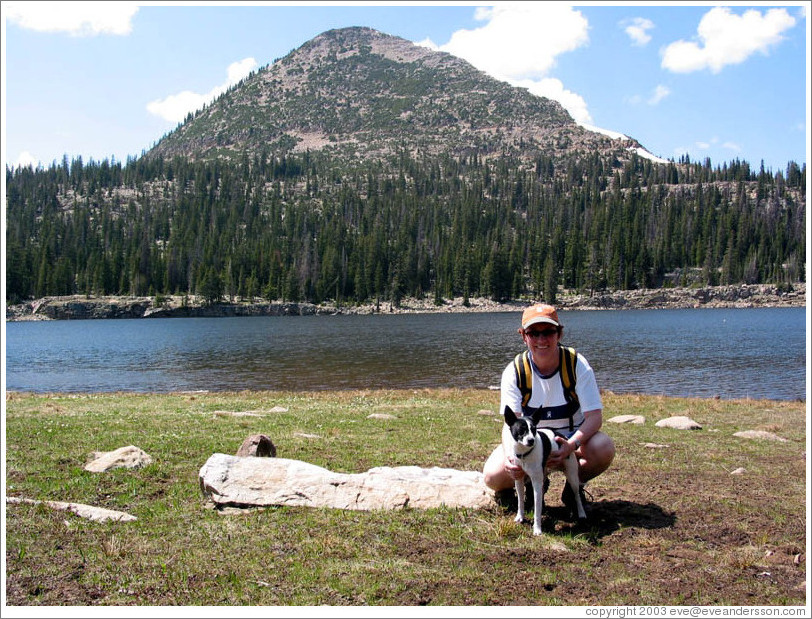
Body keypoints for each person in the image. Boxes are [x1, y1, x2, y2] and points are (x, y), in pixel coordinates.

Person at [483, 303, 615, 516]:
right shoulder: (514, 371)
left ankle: (574, 490)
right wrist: (511, 458)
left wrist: (570, 446)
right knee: (493, 476)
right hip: (530, 445)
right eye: (533, 333)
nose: (541, 340)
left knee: (603, 447)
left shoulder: (577, 365)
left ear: (559, 333)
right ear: (523, 336)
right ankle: (528, 486)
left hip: (567, 443)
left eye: (548, 332)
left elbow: (594, 418)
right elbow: (511, 425)